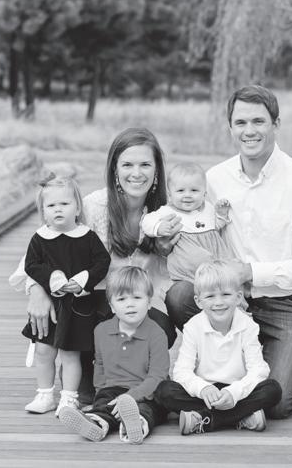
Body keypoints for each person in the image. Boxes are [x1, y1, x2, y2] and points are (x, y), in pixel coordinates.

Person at [165, 85, 292, 420]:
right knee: (180, 295)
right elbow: (193, 228)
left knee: (279, 403)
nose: (249, 131)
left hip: (291, 303)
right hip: (231, 301)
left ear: (276, 124)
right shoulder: (214, 179)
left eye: (258, 121)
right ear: (230, 128)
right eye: (240, 122)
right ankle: (231, 364)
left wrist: (249, 272)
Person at [19, 127, 180, 406]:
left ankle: (131, 374)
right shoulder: (93, 207)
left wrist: (168, 250)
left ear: (157, 170)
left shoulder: (167, 213)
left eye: (145, 164)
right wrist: (37, 291)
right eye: (127, 165)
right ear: (114, 169)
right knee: (87, 395)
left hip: (137, 307)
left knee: (161, 326)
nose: (136, 173)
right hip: (90, 308)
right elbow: (40, 252)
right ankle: (86, 366)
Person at [155, 261, 282, 435]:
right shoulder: (193, 327)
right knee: (164, 391)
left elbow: (258, 370)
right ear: (198, 301)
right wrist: (203, 389)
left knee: (272, 390)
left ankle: (205, 420)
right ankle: (241, 417)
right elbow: (181, 371)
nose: (219, 302)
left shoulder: (248, 326)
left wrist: (233, 392)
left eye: (226, 294)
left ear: (238, 297)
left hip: (237, 391)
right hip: (206, 393)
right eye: (210, 296)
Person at [19, 176, 110, 414]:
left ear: (77, 208)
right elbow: (31, 265)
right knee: (44, 351)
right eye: (51, 205)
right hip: (52, 306)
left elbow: (102, 262)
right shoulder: (40, 238)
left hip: (79, 306)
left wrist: (83, 281)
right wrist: (51, 277)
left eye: (64, 204)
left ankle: (69, 397)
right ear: (43, 212)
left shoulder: (87, 237)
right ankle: (45, 394)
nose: (58, 209)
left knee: (71, 354)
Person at [59, 266, 169, 444]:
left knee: (148, 410)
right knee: (104, 406)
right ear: (111, 306)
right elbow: (100, 365)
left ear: (149, 302)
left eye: (137, 297)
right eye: (122, 299)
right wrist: (99, 394)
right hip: (113, 389)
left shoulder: (156, 334)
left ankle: (136, 426)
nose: (130, 304)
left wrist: (132, 396)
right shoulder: (101, 331)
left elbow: (158, 376)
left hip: (147, 391)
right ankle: (96, 424)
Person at [140, 162, 234, 284]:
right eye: (180, 191)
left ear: (204, 193)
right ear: (170, 194)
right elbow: (146, 221)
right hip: (186, 269)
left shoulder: (208, 208)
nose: (188, 195)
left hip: (215, 263)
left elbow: (214, 227)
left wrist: (221, 215)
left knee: (228, 272)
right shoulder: (168, 211)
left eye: (194, 190)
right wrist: (158, 227)